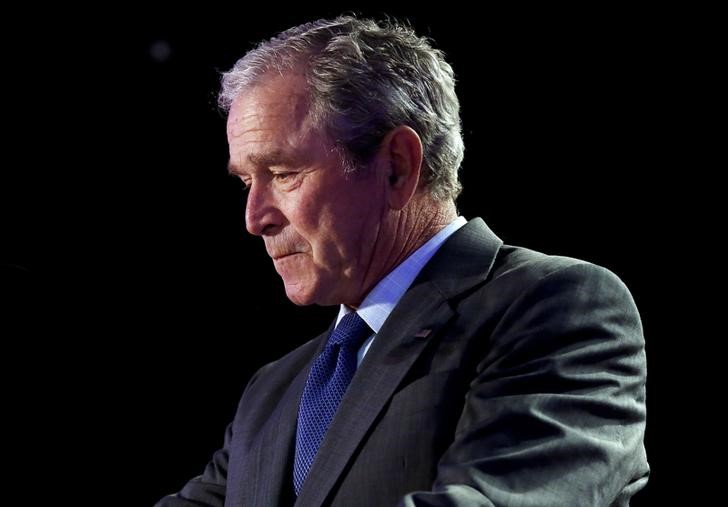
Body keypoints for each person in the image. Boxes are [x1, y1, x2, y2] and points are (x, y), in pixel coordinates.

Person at [156, 15, 648, 507]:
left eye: (283, 173)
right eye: (246, 182)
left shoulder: (553, 308)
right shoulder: (273, 391)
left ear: (396, 168)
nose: (254, 218)